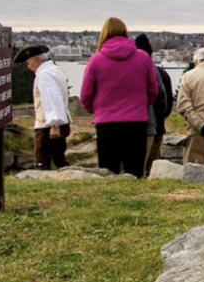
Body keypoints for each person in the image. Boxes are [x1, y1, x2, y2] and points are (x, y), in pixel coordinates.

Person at [81, 17, 157, 178]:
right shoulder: (143, 58)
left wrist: (96, 110)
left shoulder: (96, 60)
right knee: (134, 171)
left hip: (106, 122)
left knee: (108, 171)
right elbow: (153, 90)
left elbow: (86, 94)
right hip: (136, 121)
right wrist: (141, 105)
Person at [14, 45, 71, 170]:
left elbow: (51, 98)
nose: (28, 67)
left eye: (29, 63)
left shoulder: (44, 75)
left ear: (36, 61)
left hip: (47, 124)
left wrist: (54, 124)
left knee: (42, 159)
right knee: (59, 158)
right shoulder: (55, 69)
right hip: (61, 121)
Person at [135, 34, 168, 177]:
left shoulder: (138, 70)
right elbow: (164, 100)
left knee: (138, 168)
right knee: (152, 168)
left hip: (141, 123)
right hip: (157, 125)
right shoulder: (162, 73)